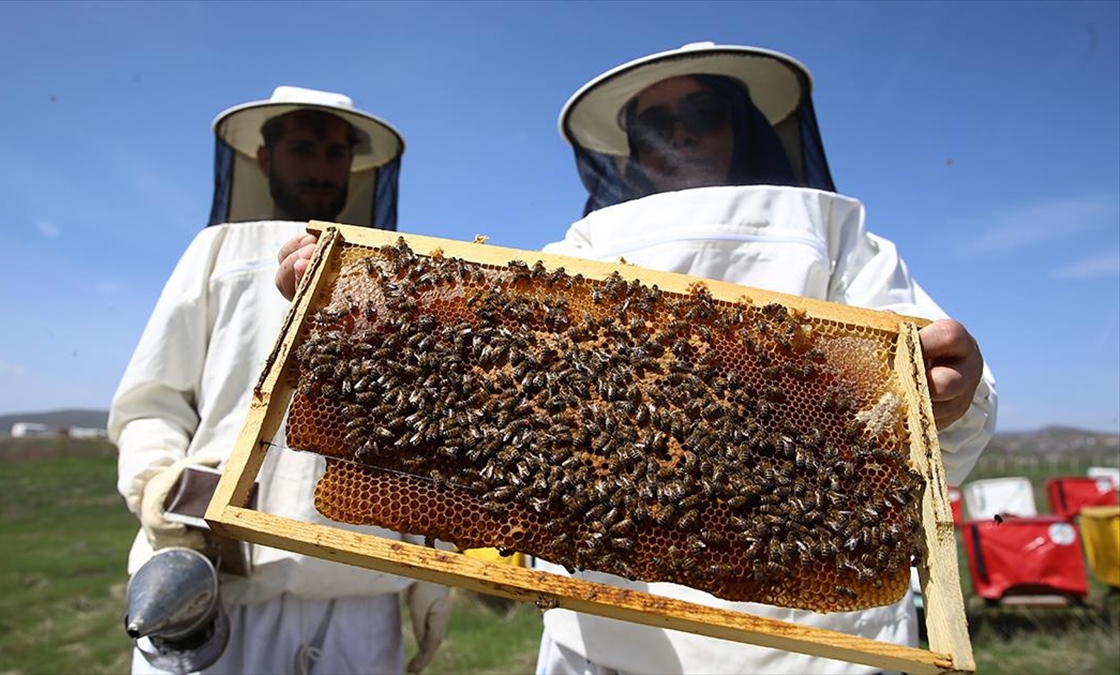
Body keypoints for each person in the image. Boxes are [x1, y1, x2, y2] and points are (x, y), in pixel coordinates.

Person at [272, 43, 997, 675]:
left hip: (815, 645)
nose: (678, 132)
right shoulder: (580, 259)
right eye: (655, 123)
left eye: (703, 113)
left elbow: (933, 426)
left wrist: (954, 392)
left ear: (740, 125)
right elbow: (474, 380)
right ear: (631, 146)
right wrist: (350, 305)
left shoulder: (840, 242)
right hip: (604, 634)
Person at [110, 86, 450, 675]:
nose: (321, 166)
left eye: (335, 152)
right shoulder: (216, 250)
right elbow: (152, 400)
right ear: (265, 159)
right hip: (218, 579)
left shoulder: (401, 271)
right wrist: (155, 482)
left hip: (360, 585)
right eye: (302, 148)